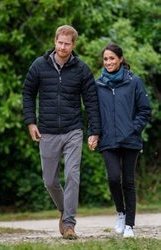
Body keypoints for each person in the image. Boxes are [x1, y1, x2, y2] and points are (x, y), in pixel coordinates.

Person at [22, 25, 101, 239]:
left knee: (72, 176)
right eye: (60, 42)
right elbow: (28, 93)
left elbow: (92, 102)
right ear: (55, 41)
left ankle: (69, 225)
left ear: (73, 45)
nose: (63, 47)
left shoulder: (82, 69)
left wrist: (94, 131)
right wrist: (31, 122)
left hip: (73, 130)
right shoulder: (39, 65)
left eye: (67, 43)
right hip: (47, 131)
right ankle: (64, 210)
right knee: (49, 180)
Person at [96, 43, 152, 238]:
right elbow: (94, 114)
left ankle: (129, 225)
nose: (109, 62)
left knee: (128, 181)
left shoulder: (134, 81)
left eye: (112, 58)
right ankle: (121, 212)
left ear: (120, 59)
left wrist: (133, 129)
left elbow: (145, 110)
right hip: (108, 140)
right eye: (105, 59)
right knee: (113, 178)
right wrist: (94, 133)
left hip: (130, 140)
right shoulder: (99, 84)